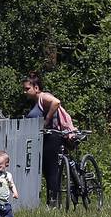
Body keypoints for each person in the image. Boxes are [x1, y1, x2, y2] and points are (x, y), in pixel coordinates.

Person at [23, 72, 76, 207]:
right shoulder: (36, 102)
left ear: (36, 88)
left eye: (27, 88)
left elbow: (56, 102)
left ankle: (53, 203)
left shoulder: (43, 97)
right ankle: (51, 201)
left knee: (51, 170)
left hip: (52, 137)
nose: (25, 92)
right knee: (47, 171)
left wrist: (46, 120)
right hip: (45, 139)